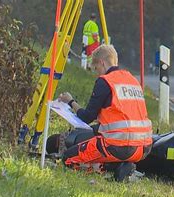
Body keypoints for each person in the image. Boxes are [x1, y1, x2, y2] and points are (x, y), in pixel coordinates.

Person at [47, 45, 153, 181]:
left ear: (102, 62)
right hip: (143, 148)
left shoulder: (105, 82)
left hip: (119, 146)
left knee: (68, 158)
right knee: (97, 133)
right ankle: (122, 166)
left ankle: (113, 168)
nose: (97, 73)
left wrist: (71, 101)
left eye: (96, 68)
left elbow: (87, 117)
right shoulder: (132, 80)